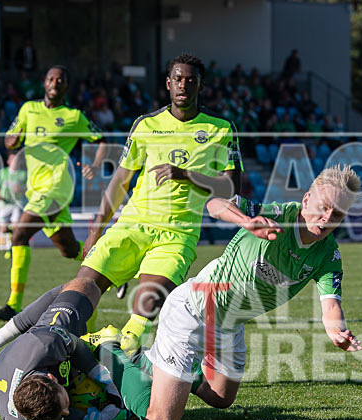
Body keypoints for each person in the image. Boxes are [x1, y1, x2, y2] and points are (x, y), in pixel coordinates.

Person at [144, 164, 362, 420]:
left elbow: (331, 306)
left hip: (229, 325)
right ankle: (128, 359)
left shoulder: (328, 255)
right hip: (194, 310)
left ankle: (177, 373)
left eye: (337, 213)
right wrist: (247, 223)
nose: (327, 217)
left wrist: (337, 332)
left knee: (222, 398)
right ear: (306, 199)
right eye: (324, 206)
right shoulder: (278, 215)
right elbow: (215, 204)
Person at [77, 53, 242, 356]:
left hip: (177, 235)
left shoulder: (220, 128)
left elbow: (232, 186)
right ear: (168, 83)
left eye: (190, 80)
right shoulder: (146, 125)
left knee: (146, 305)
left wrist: (187, 175)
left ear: (200, 86)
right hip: (132, 226)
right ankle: (79, 346)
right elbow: (120, 182)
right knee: (81, 288)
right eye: (178, 79)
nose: (183, 85)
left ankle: (121, 346)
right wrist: (95, 231)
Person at [0, 65, 110, 321]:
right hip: (36, 188)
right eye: (51, 78)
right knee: (69, 249)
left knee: (19, 233)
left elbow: (101, 140)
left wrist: (95, 165)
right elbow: (11, 138)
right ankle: (114, 272)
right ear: (44, 83)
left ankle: (12, 304)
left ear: (66, 85)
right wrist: (11, 140)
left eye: (61, 79)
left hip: (57, 185)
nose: (55, 82)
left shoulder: (74, 116)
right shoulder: (28, 109)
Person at [0, 277, 151, 420]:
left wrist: (105, 379)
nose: (67, 412)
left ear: (52, 378)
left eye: (65, 405)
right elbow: (64, 419)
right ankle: (140, 359)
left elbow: (75, 344)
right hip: (15, 365)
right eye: (64, 409)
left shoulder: (46, 344)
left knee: (84, 285)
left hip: (39, 340)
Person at [0, 151, 26, 251]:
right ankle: (11, 243)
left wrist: (20, 189)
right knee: (3, 229)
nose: (15, 161)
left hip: (17, 204)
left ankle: (12, 247)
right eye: (13, 159)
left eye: (16, 159)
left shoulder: (23, 174)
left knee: (16, 227)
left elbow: (27, 189)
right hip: (4, 204)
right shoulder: (3, 172)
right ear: (8, 161)